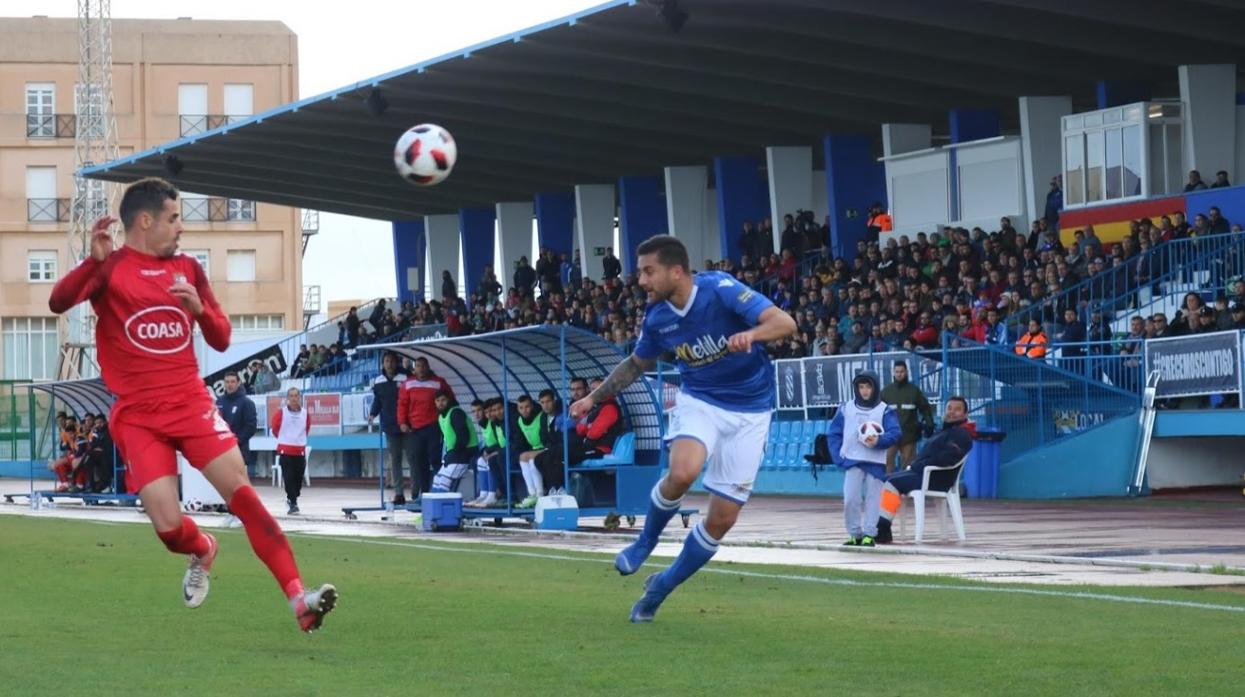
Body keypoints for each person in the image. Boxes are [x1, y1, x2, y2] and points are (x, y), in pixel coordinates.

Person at [47, 179, 334, 632]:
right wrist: (91, 263)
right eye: (175, 218)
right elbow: (57, 301)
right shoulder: (110, 268)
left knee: (244, 497)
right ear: (146, 221)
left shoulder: (187, 269)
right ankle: (201, 548)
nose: (182, 228)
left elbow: (220, 339)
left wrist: (200, 309)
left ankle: (299, 598)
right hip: (139, 416)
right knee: (166, 526)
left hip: (191, 403)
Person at [569, 234, 796, 623]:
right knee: (683, 471)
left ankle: (661, 587)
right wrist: (594, 398)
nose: (641, 281)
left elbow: (785, 322)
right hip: (701, 400)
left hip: (751, 411)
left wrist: (752, 334)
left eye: (648, 271)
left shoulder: (720, 290)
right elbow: (635, 365)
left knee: (722, 520)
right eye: (640, 272)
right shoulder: (657, 319)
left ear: (676, 271)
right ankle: (645, 542)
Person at [875, 396, 975, 544]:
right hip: (921, 473)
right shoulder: (945, 430)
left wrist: (921, 465)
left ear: (965, 415)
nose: (952, 412)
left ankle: (882, 529)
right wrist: (918, 465)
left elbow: (947, 459)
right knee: (882, 479)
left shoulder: (961, 434)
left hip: (936, 479)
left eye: (957, 409)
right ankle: (879, 524)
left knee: (891, 483)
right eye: (949, 408)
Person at [826, 372, 901, 546]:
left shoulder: (885, 409)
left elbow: (895, 432)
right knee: (851, 498)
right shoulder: (846, 408)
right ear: (856, 388)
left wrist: (879, 440)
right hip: (852, 460)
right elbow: (834, 433)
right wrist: (838, 457)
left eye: (868, 387)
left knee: (874, 499)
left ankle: (869, 534)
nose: (865, 391)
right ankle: (854, 534)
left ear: (875, 388)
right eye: (861, 387)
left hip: (876, 462)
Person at [397, 357, 454, 503]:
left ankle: (440, 489)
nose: (421, 369)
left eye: (423, 366)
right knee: (419, 461)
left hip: (435, 426)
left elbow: (451, 399)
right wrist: (402, 422)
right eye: (418, 366)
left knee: (435, 460)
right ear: (414, 368)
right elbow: (402, 404)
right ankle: (425, 492)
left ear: (428, 367)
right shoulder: (407, 384)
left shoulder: (438, 382)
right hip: (416, 429)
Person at [367, 352, 410, 502]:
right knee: (395, 460)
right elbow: (378, 400)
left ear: (396, 362)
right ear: (383, 364)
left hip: (407, 425)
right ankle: (399, 493)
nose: (389, 364)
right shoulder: (378, 381)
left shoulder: (405, 378)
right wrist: (372, 414)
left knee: (413, 459)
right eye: (386, 361)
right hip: (390, 426)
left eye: (391, 361)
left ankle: (418, 492)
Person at [879, 361, 934, 474]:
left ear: (906, 372)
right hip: (890, 436)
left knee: (908, 467)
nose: (899, 374)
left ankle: (906, 491)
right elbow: (878, 412)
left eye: (902, 371)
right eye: (897, 372)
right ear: (893, 373)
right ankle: (886, 490)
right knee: (886, 464)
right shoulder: (886, 392)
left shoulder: (914, 391)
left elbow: (925, 408)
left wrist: (929, 424)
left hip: (909, 435)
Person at [271, 387, 312, 515]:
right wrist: (284, 439)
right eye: (291, 396)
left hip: (299, 449)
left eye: (296, 396)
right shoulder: (281, 413)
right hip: (285, 449)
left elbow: (307, 428)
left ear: (299, 397)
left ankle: (293, 496)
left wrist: (299, 440)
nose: (294, 398)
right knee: (288, 477)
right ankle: (293, 503)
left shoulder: (305, 414)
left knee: (298, 478)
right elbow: (275, 428)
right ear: (288, 398)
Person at [430, 391, 478, 493]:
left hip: (465, 452)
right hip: (454, 453)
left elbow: (464, 436)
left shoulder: (456, 413)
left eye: (443, 400)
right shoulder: (441, 417)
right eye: (437, 401)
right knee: (436, 479)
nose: (440, 403)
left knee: (444, 481)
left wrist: (454, 453)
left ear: (448, 400)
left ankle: (442, 506)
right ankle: (435, 506)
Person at [217, 371, 258, 478]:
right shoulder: (219, 402)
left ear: (238, 383)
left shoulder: (246, 403)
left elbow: (251, 427)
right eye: (227, 382)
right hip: (221, 452)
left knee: (239, 485)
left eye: (232, 382)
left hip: (239, 452)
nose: (229, 385)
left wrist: (235, 440)